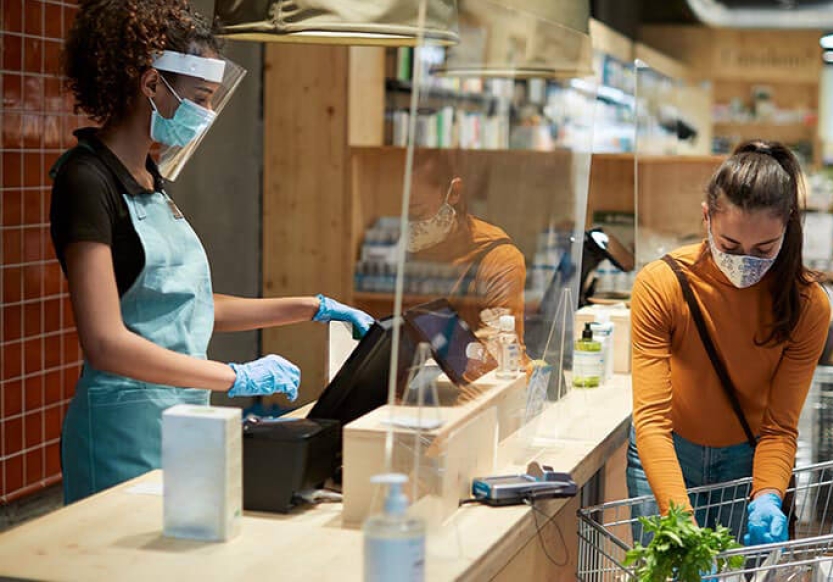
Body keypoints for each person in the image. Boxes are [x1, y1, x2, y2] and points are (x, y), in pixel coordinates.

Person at [52, 0, 374, 504]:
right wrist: (236, 375)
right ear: (151, 84)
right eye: (201, 97)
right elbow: (106, 342)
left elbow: (187, 308)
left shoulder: (150, 181)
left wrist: (310, 307)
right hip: (123, 432)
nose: (206, 114)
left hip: (182, 422)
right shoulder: (86, 179)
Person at [627, 141, 831, 546]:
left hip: (747, 461)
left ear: (788, 225)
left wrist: (769, 495)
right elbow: (651, 420)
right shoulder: (663, 284)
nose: (745, 262)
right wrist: (679, 518)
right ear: (706, 217)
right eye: (730, 246)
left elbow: (779, 427)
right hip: (668, 451)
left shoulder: (806, 304)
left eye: (764, 249)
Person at [406, 150, 526, 341]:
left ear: (454, 192)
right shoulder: (404, 254)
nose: (408, 227)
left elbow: (500, 350)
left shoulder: (497, 256)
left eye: (417, 213)